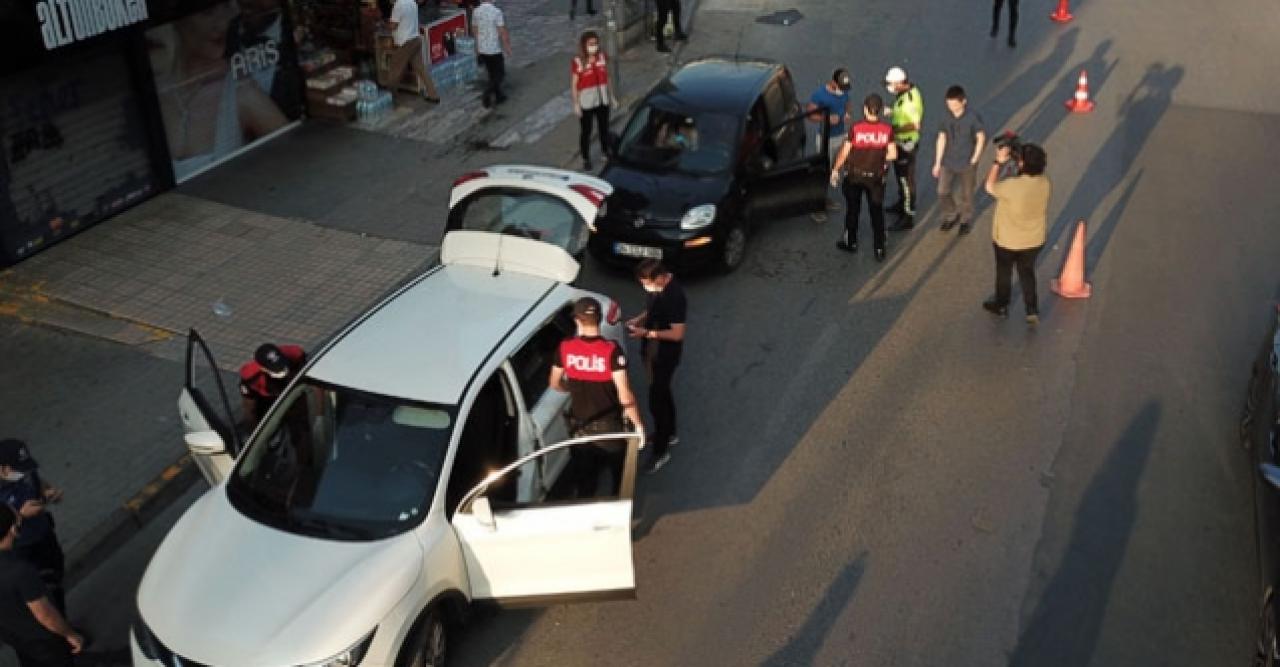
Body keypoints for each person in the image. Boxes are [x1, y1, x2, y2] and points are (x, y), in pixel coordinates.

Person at [149, 0, 290, 181]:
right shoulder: (158, 92)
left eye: (225, 9)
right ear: (178, 21)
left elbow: (295, 154)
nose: (222, 24)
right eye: (207, 13)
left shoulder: (241, 92)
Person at [549, 298, 644, 496]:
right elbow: (624, 394)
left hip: (580, 428)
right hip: (610, 428)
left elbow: (554, 383)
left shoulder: (565, 348)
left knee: (585, 482)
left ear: (577, 320)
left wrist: (570, 388)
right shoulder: (611, 351)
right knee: (619, 480)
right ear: (600, 319)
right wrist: (638, 425)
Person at [0, 505, 83, 667]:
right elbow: (45, 616)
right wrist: (70, 634)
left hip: (15, 638)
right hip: (44, 643)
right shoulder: (21, 571)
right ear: (12, 530)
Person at [625, 260, 686, 474]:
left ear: (660, 277)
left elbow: (678, 333)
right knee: (663, 393)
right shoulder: (657, 289)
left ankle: (661, 450)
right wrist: (640, 319)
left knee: (656, 401)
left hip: (664, 355)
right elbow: (651, 309)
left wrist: (648, 333)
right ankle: (669, 433)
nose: (645, 287)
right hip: (653, 351)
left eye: (647, 283)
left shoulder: (674, 297)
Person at [982, 142, 1051, 324]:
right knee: (1027, 273)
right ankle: (1031, 309)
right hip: (1034, 240)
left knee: (1004, 272)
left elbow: (989, 186)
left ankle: (1002, 304)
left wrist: (998, 162)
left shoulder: (1011, 186)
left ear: (1021, 164)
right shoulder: (1044, 183)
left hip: (1007, 240)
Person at [0, 440, 67, 617]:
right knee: (38, 595)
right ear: (4, 470)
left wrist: (47, 492)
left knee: (55, 576)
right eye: (20, 470)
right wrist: (21, 517)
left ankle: (63, 619)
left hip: (44, 535)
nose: (24, 473)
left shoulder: (24, 471)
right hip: (21, 549)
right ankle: (61, 634)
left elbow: (37, 481)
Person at [830, 94, 897, 262]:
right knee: (876, 212)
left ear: (866, 109)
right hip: (876, 178)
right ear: (880, 111)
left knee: (853, 210)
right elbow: (893, 154)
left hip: (855, 176)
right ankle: (879, 247)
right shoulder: (887, 130)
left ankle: (850, 241)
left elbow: (845, 152)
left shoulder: (856, 128)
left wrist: (835, 170)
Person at [932, 85, 986, 235]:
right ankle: (951, 214)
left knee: (967, 194)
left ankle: (965, 219)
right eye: (949, 105)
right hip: (948, 161)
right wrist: (937, 162)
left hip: (966, 162)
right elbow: (941, 137)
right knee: (942, 191)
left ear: (963, 102)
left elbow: (980, 137)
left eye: (955, 105)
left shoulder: (972, 118)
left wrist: (975, 158)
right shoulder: (945, 117)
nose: (952, 108)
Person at [806, 68, 853, 222]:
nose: (842, 91)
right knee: (822, 171)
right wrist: (825, 119)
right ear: (833, 82)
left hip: (841, 136)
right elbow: (810, 115)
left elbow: (847, 103)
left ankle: (824, 200)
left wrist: (846, 113)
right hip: (826, 138)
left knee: (836, 168)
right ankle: (816, 206)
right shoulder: (820, 95)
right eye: (840, 87)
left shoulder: (844, 92)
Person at [884, 66, 924, 231]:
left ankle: (907, 216)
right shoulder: (904, 94)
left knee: (906, 181)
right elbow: (903, 114)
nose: (890, 87)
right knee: (900, 177)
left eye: (892, 84)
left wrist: (894, 131)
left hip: (906, 144)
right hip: (900, 142)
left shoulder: (911, 100)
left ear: (900, 83)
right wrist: (893, 112)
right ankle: (901, 203)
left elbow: (915, 125)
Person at [571, 31, 617, 171]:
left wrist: (612, 96)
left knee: (604, 128)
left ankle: (605, 151)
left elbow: (607, 77)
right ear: (584, 45)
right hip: (587, 101)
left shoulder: (601, 57)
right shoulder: (578, 61)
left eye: (596, 44)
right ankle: (586, 158)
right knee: (586, 131)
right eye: (591, 44)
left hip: (602, 99)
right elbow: (574, 84)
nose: (594, 47)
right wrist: (576, 104)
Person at [386, 0, 441, 104]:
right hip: (415, 38)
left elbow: (393, 25)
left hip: (405, 42)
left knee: (395, 69)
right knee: (421, 69)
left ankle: (390, 97)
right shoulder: (412, 2)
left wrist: (386, 25)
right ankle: (433, 94)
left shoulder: (399, 4)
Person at [239, 342, 307, 426]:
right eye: (276, 369)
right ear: (263, 368)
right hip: (267, 399)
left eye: (281, 365)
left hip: (294, 390)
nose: (282, 370)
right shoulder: (251, 378)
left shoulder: (296, 354)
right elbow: (249, 406)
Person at [472, 0, 511, 108]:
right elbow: (502, 31)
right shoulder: (496, 12)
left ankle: (499, 96)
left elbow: (475, 31)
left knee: (491, 73)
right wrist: (507, 46)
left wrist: (477, 49)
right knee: (500, 74)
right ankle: (488, 92)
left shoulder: (476, 12)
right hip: (494, 48)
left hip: (483, 48)